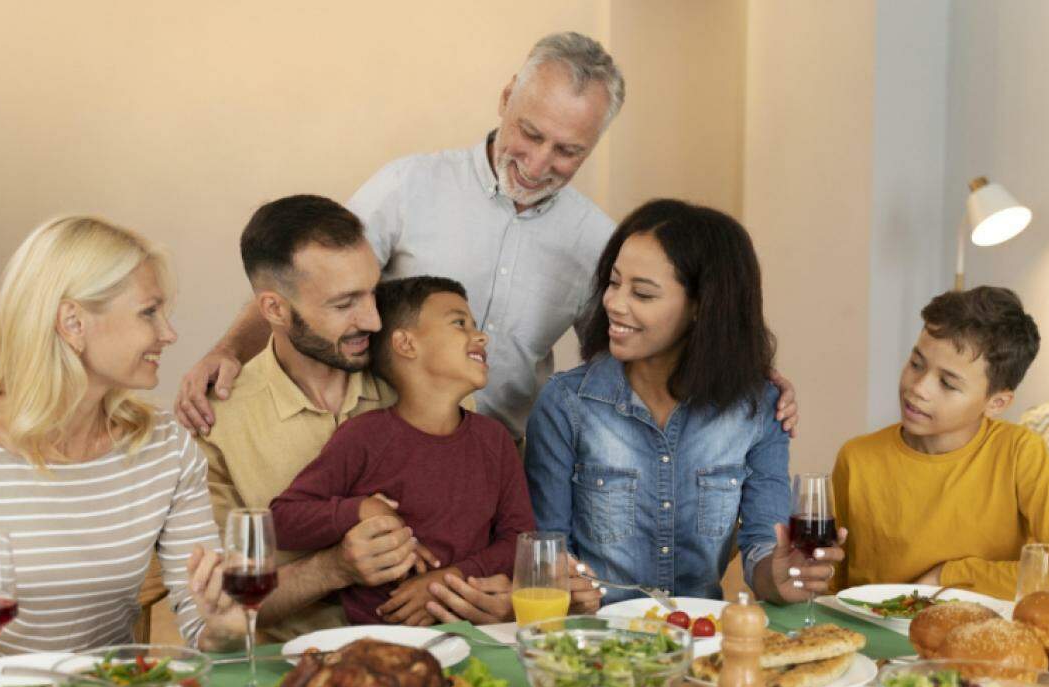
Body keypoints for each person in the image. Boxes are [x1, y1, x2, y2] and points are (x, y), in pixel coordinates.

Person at [174, 31, 800, 444]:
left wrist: (753, 375)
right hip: (375, 441)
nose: (537, 161)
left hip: (505, 458)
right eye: (530, 132)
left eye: (568, 150)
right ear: (506, 98)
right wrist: (228, 349)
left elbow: (644, 345)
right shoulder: (408, 185)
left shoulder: (599, 242)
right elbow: (310, 282)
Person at [200, 197, 600, 635]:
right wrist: (333, 568)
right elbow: (214, 612)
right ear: (274, 309)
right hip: (292, 662)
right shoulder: (217, 422)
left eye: (372, 291)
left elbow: (501, 544)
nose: (374, 320)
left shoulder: (434, 390)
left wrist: (494, 595)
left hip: (447, 646)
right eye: (344, 303)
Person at [0, 216, 245, 678]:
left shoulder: (164, 446)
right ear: (73, 322)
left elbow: (204, 624)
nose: (169, 333)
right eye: (149, 312)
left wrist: (224, 626)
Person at [525, 200, 843, 604]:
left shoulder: (760, 408)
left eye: (642, 292)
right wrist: (563, 585)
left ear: (701, 307)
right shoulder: (566, 404)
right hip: (598, 647)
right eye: (614, 282)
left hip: (703, 642)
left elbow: (764, 546)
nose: (614, 303)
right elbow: (547, 553)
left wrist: (783, 576)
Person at [272, 277, 531, 625]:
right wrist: (362, 509)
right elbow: (282, 519)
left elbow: (520, 540)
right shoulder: (364, 437)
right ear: (406, 343)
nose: (481, 336)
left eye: (475, 325)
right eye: (459, 323)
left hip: (476, 636)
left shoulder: (495, 440)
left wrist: (447, 580)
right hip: (377, 643)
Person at [832, 287, 1049, 599]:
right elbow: (832, 586)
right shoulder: (857, 457)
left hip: (975, 638)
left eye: (947, 383)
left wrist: (950, 576)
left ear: (996, 403)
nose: (919, 388)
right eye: (916, 363)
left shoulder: (1019, 452)